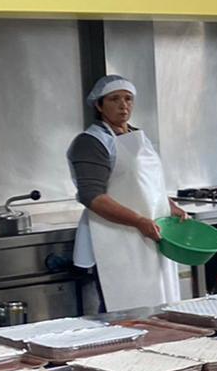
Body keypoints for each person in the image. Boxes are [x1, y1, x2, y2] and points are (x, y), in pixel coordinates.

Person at [68, 75, 187, 313]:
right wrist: (138, 221)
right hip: (115, 239)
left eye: (128, 99)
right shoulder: (91, 142)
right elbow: (93, 197)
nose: (123, 105)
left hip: (150, 234)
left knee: (160, 306)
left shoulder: (138, 137)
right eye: (114, 99)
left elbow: (149, 185)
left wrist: (169, 205)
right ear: (99, 105)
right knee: (126, 312)